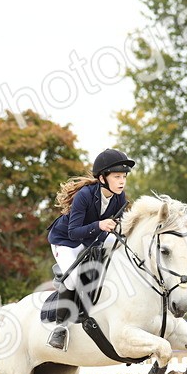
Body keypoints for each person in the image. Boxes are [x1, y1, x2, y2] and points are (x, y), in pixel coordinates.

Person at [44, 148, 132, 350]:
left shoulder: (119, 197)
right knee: (74, 279)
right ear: (102, 177)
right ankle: (60, 328)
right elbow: (74, 232)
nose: (121, 181)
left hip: (93, 238)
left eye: (124, 177)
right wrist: (100, 225)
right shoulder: (84, 195)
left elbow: (114, 225)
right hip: (66, 240)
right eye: (117, 176)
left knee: (123, 247)